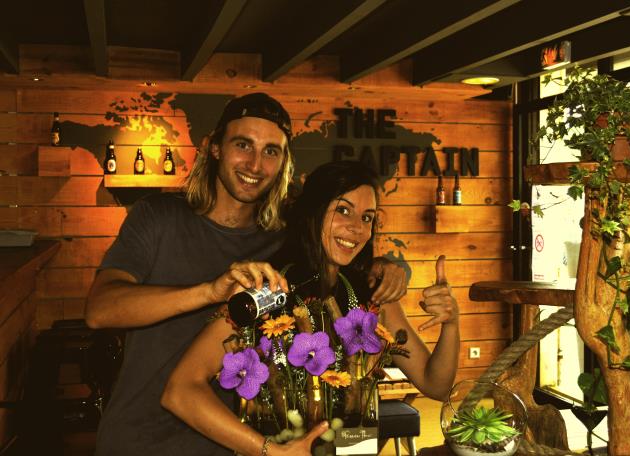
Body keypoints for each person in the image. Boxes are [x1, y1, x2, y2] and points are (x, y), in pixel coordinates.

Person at [85, 94, 407, 456]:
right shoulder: (157, 217)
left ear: (283, 162)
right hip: (137, 441)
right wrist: (211, 291)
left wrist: (387, 267)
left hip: (232, 445)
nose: (255, 164)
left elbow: (340, 238)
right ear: (214, 148)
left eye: (271, 151)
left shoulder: (284, 237)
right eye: (243, 145)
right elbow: (101, 310)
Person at [161, 160, 460, 456]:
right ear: (314, 212)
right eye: (343, 210)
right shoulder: (268, 291)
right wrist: (269, 450)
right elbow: (181, 390)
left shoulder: (373, 297)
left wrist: (451, 322)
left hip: (356, 448)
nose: (356, 228)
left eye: (367, 218)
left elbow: (436, 384)